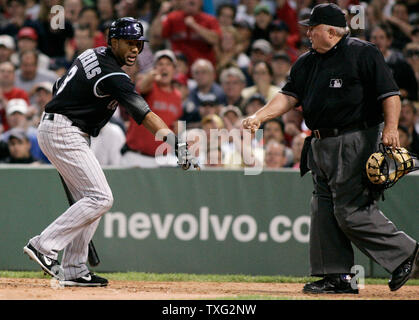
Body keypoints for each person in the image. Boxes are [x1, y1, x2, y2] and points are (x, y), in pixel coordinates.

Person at [242, 4, 418, 294]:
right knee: (323, 209)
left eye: (314, 27)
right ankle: (337, 276)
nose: (308, 32)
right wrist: (259, 116)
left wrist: (390, 129)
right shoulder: (306, 62)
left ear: (333, 31)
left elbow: (390, 94)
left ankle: (406, 252)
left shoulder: (363, 52)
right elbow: (288, 97)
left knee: (351, 210)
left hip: (356, 139)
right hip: (319, 142)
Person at [23, 18, 192, 287]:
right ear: (113, 41)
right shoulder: (115, 75)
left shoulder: (90, 54)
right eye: (129, 42)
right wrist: (177, 145)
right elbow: (144, 114)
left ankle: (74, 268)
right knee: (101, 198)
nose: (135, 48)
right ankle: (43, 245)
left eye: (138, 43)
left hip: (61, 127)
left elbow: (59, 86)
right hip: (65, 131)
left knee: (90, 202)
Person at [121, 49, 183, 168]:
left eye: (168, 64)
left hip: (162, 159)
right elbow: (143, 87)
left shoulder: (177, 96)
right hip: (137, 157)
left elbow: (175, 126)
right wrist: (151, 76)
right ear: (154, 68)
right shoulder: (150, 86)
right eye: (160, 64)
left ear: (174, 70)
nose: (164, 68)